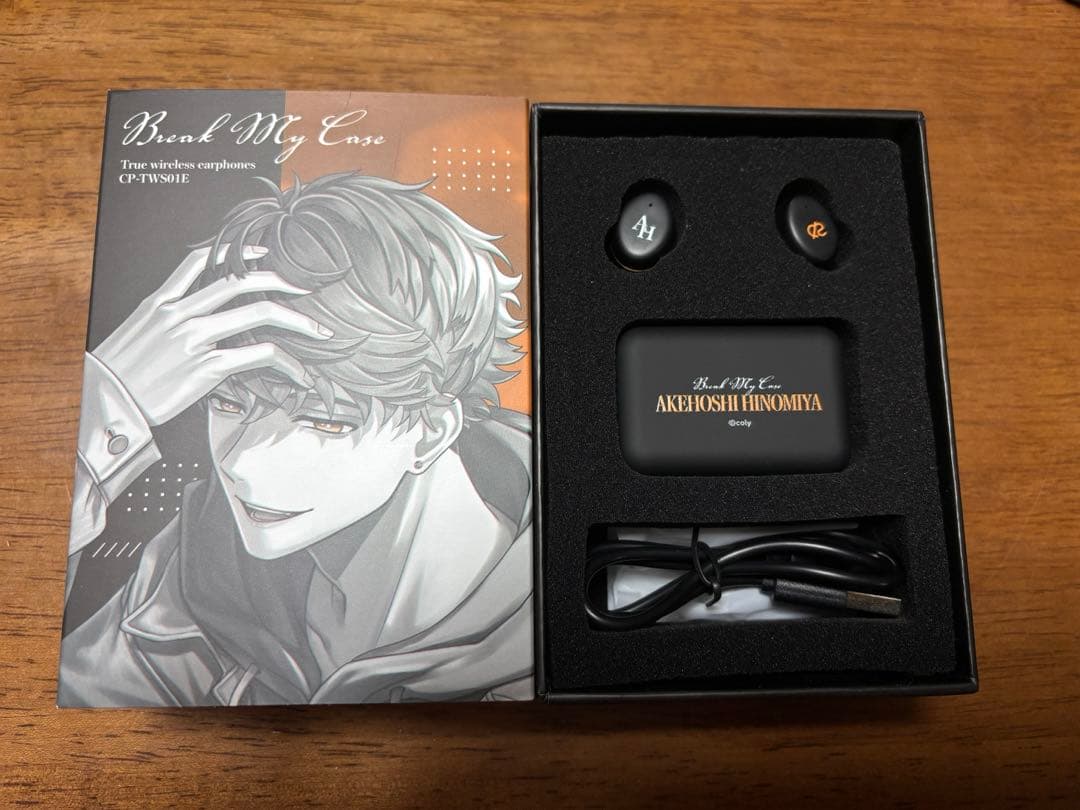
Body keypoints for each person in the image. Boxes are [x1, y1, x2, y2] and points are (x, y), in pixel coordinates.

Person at [59, 172, 533, 706]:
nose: (241, 466)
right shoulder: (204, 564)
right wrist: (109, 404)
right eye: (229, 404)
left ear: (431, 434)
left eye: (324, 422)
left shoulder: (537, 638)